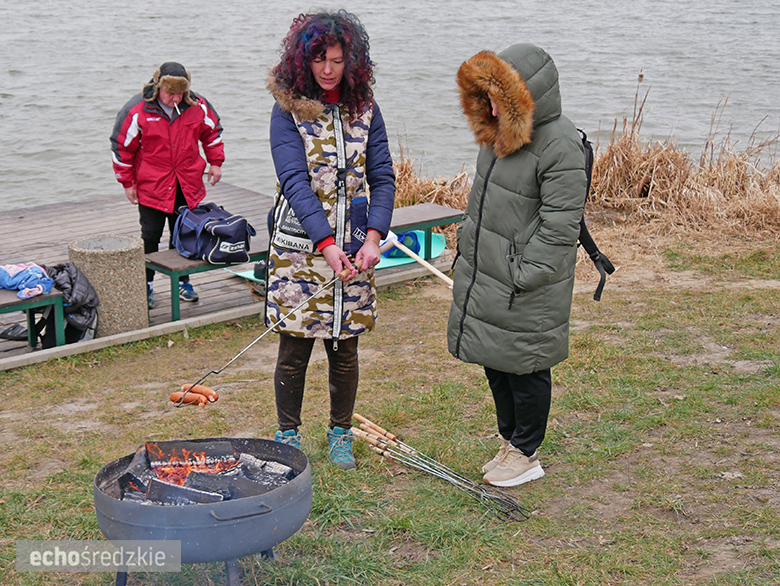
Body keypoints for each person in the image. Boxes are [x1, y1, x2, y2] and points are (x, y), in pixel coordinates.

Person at [447, 44, 587, 487]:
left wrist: (523, 273)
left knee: (526, 367)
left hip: (524, 281)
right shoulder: (498, 133)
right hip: (491, 271)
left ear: (525, 96)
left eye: (498, 98)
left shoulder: (560, 144)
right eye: (486, 97)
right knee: (496, 359)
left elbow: (561, 226)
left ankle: (527, 453)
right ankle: (510, 442)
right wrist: (469, 248)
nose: (490, 107)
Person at [266, 10, 395, 470]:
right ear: (303, 60)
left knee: (345, 346)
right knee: (294, 347)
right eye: (319, 60)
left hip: (355, 247)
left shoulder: (366, 108)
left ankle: (340, 432)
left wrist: (373, 237)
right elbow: (294, 182)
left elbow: (382, 175)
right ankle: (288, 434)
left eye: (337, 61)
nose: (327, 69)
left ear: (351, 62)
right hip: (300, 253)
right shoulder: (287, 110)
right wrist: (325, 243)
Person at [110, 62, 225, 309]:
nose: (176, 98)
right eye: (170, 93)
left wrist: (216, 163)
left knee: (182, 235)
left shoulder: (198, 105)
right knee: (150, 237)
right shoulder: (137, 109)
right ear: (158, 87)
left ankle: (183, 282)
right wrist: (127, 183)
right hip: (151, 186)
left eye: (180, 93)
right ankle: (146, 285)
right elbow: (121, 147)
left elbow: (213, 133)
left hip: (187, 184)